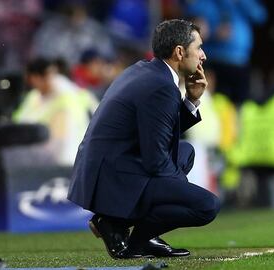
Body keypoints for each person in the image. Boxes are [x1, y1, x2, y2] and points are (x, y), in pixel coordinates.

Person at [67, 19, 221, 259]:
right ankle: (136, 239)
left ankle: (114, 221)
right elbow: (155, 161)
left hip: (109, 167)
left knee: (185, 151)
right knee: (207, 206)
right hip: (114, 177)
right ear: (179, 52)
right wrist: (181, 189)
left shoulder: (145, 70)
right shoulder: (161, 86)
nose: (203, 56)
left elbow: (159, 132)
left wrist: (191, 100)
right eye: (199, 48)